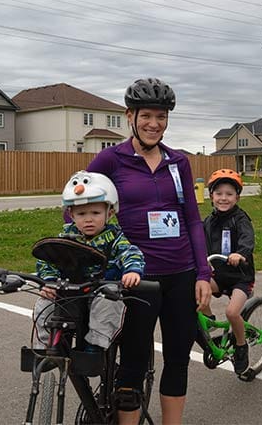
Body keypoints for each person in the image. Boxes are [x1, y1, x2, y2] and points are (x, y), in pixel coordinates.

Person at [86, 77, 211, 425]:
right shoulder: (110, 159)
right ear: (130, 116)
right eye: (147, 116)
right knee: (134, 360)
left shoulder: (178, 162)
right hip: (136, 277)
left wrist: (203, 273)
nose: (154, 124)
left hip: (181, 273)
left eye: (161, 116)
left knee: (177, 359)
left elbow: (193, 219)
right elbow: (77, 206)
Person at [33, 171, 144, 351]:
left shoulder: (115, 237)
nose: (89, 219)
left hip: (102, 290)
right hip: (71, 293)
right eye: (82, 214)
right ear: (71, 215)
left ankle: (95, 346)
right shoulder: (67, 238)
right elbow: (48, 261)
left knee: (108, 302)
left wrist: (132, 270)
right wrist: (49, 282)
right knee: (46, 300)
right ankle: (46, 344)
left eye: (96, 212)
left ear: (110, 213)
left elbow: (130, 253)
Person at [200, 168, 256, 375]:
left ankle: (241, 347)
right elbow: (199, 240)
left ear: (237, 197)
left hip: (240, 276)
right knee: (196, 292)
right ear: (212, 196)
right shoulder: (209, 221)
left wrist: (240, 253)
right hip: (219, 275)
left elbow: (247, 240)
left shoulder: (241, 219)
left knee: (232, 312)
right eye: (219, 193)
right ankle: (212, 325)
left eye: (229, 194)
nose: (224, 198)